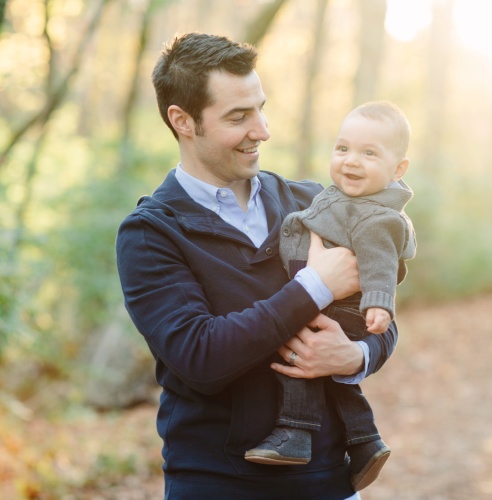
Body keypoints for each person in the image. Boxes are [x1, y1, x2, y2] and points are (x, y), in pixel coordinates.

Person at [115, 32, 398, 500]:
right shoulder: (151, 234)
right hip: (217, 486)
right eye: (238, 117)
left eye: (260, 108)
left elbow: (379, 317)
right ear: (183, 121)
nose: (262, 130)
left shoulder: (314, 203)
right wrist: (314, 286)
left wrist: (356, 358)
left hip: (329, 482)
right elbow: (201, 357)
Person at [245, 101, 416, 492]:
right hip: (334, 300)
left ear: (398, 169)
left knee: (300, 350)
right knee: (323, 367)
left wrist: (378, 302)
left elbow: (379, 262)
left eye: (369, 153)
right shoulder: (339, 197)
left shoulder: (378, 216)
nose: (351, 161)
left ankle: (295, 432)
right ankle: (364, 440)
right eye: (343, 149)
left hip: (348, 307)